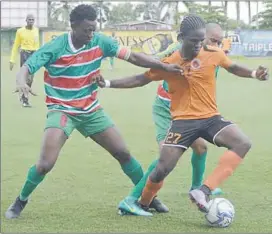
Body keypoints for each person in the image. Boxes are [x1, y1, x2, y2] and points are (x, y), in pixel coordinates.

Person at [5, 4, 183, 220]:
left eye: (93, 29)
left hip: (90, 110)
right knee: (45, 164)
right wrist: (21, 81)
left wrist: (163, 66)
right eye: (86, 30)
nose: (91, 34)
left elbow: (134, 58)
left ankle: (148, 197)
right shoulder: (56, 46)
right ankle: (20, 201)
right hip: (62, 109)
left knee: (123, 153)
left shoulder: (101, 41)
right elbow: (27, 68)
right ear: (73, 26)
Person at [96, 15, 269, 216]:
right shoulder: (169, 63)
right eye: (193, 41)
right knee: (163, 168)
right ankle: (141, 203)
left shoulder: (213, 53)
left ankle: (202, 190)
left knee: (242, 143)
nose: (198, 45)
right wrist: (108, 83)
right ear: (181, 38)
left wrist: (255, 74)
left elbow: (233, 67)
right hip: (182, 122)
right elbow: (140, 79)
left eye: (201, 40)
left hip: (211, 117)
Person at [116, 23, 224, 216]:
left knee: (201, 148)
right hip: (166, 109)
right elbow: (152, 64)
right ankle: (131, 200)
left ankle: (196, 188)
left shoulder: (212, 55)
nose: (217, 45)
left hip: (188, 110)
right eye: (213, 40)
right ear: (200, 37)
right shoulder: (178, 50)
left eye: (220, 42)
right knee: (164, 158)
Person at [10, 14, 40, 107]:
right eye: (29, 19)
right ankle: (25, 99)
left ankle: (22, 92)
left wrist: (38, 57)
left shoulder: (36, 30)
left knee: (31, 78)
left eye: (32, 20)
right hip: (24, 54)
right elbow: (15, 46)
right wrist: (12, 60)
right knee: (25, 77)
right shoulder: (20, 31)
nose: (31, 21)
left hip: (34, 54)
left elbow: (37, 45)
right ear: (26, 20)